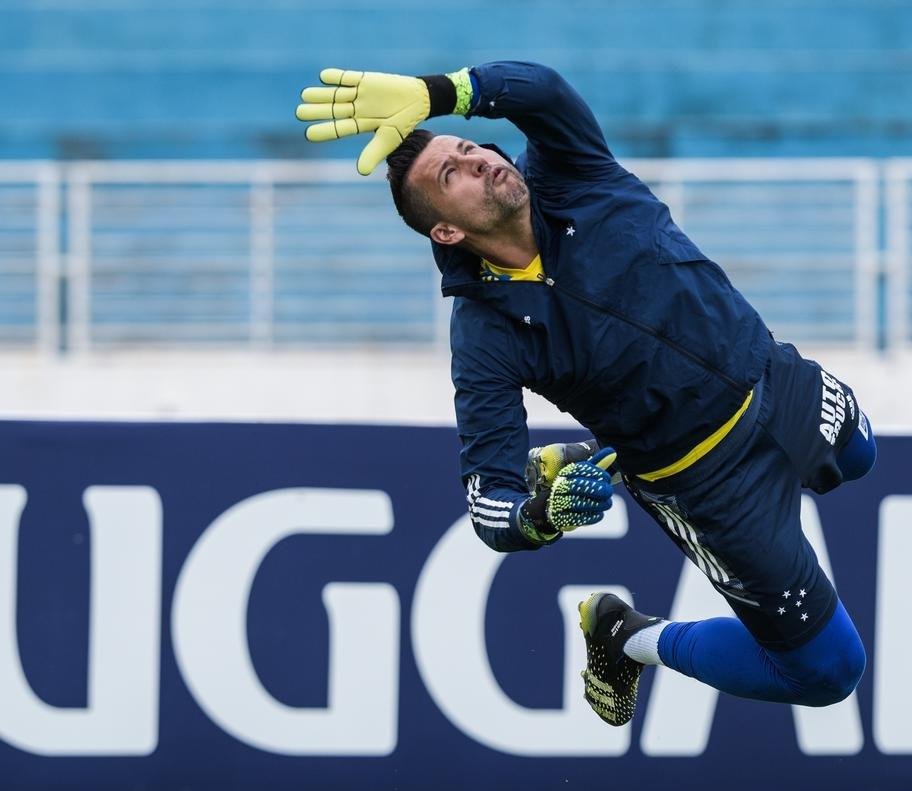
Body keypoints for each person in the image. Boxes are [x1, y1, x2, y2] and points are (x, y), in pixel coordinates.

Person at [295, 62, 876, 727]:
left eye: (470, 147)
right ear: (446, 232)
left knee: (860, 456)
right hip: (710, 483)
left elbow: (542, 92)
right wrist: (541, 516)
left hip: (776, 378)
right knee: (830, 672)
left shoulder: (573, 174)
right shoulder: (484, 334)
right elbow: (489, 502)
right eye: (452, 174)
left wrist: (439, 93)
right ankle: (626, 636)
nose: (479, 161)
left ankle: (597, 454)